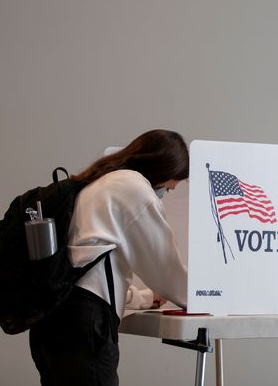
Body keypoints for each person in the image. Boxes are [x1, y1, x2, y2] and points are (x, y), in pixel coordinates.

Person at [29, 129, 189, 386]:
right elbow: (166, 269)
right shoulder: (135, 188)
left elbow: (90, 267)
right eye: (167, 189)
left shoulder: (99, 183)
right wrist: (203, 295)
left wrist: (144, 298)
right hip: (83, 326)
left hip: (52, 319)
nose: (163, 195)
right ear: (161, 171)